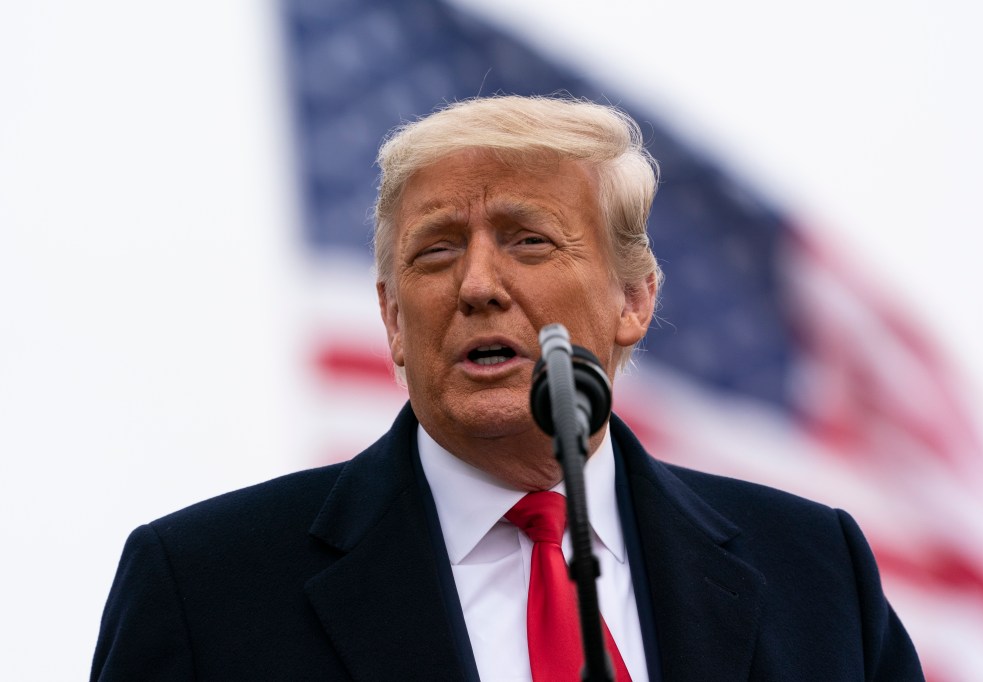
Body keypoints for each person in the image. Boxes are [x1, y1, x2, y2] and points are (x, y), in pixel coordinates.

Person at [92, 95, 925, 681]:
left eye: (529, 241)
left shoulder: (814, 570)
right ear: (390, 317)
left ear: (634, 299)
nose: (479, 285)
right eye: (436, 251)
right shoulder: (206, 588)